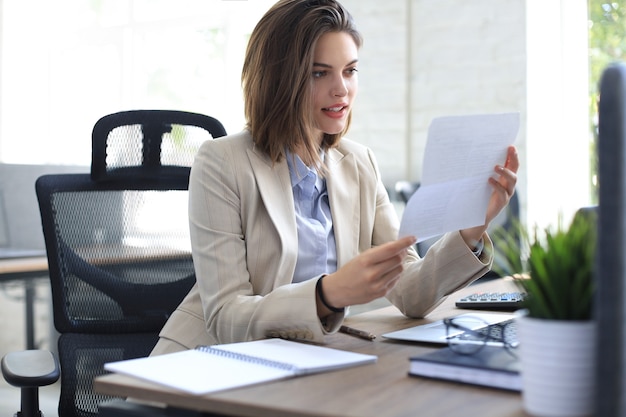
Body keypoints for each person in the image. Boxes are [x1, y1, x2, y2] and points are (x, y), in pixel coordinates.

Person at [150, 0, 519, 354]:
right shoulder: (222, 162)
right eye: (319, 72)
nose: (342, 89)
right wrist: (328, 294)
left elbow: (410, 292)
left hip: (305, 361)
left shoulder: (359, 163)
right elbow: (226, 318)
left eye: (350, 70)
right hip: (207, 367)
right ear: (281, 79)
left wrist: (471, 227)